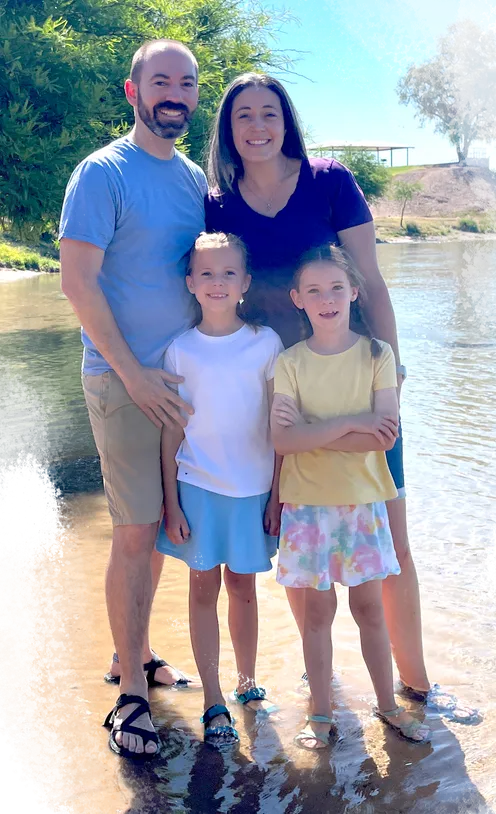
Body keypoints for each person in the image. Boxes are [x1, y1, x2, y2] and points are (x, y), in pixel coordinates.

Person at [204, 72, 432, 703]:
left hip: (357, 380)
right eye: (243, 115)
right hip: (278, 387)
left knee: (390, 536)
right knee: (297, 535)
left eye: (269, 113)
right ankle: (321, 679)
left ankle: (416, 684)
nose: (257, 127)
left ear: (287, 122)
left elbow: (373, 283)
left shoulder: (330, 181)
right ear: (227, 129)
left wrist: (393, 370)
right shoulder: (217, 202)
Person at [59, 39, 207, 760]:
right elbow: (77, 283)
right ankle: (129, 698)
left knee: (157, 530)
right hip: (122, 381)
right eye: (161, 81)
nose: (174, 94)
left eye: (187, 83)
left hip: (179, 384)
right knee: (134, 529)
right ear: (133, 91)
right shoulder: (102, 172)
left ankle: (135, 653)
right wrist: (135, 375)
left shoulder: (193, 179)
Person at [270, 245, 431, 749]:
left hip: (363, 504)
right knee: (316, 617)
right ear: (297, 299)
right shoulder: (289, 362)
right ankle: (321, 714)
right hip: (307, 508)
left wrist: (314, 430)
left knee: (370, 611)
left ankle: (388, 706)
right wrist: (351, 423)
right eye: (314, 290)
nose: (327, 299)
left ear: (354, 292)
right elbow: (282, 440)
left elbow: (383, 437)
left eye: (336, 288)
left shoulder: (377, 355)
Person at [156, 231, 283, 746]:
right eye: (206, 273)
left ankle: (247, 685)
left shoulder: (266, 343)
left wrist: (277, 494)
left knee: (244, 590)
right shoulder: (180, 350)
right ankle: (212, 698)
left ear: (245, 282)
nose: (217, 282)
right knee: (202, 591)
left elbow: (278, 426)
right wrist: (170, 503)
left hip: (253, 489)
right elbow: (172, 430)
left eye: (229, 273)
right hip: (197, 488)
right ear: (190, 282)